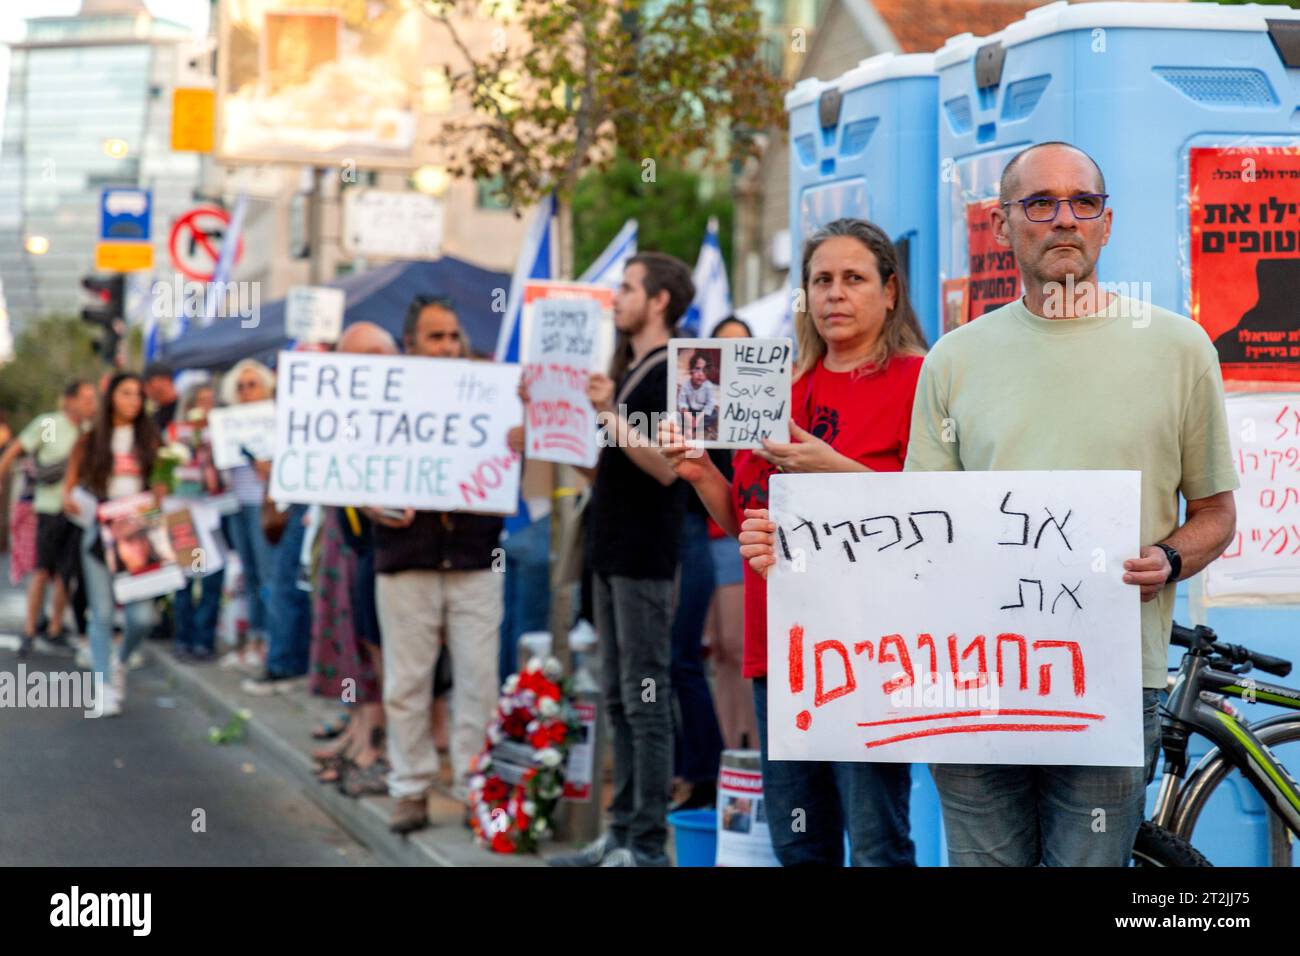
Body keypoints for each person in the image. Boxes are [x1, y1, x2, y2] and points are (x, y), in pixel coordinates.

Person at [897, 141, 1238, 866]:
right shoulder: (954, 361)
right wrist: (802, 554)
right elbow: (917, 529)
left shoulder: (1180, 350)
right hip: (974, 676)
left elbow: (1216, 513)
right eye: (1041, 203)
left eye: (1083, 203)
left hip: (1112, 678)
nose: (1064, 220)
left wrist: (1171, 558)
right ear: (1002, 225)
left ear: (1106, 225)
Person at [669, 219, 925, 866]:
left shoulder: (921, 379)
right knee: (799, 845)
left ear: (890, 292)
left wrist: (826, 465)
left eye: (853, 279)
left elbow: (932, 512)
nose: (834, 294)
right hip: (778, 648)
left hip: (871, 648)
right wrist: (702, 473)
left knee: (875, 844)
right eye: (821, 281)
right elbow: (749, 519)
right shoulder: (777, 387)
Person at [549, 252, 693, 868]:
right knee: (618, 698)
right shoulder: (630, 368)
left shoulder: (675, 369)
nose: (616, 296)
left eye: (628, 287)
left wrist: (609, 413)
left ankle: (646, 845)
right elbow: (614, 470)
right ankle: (622, 831)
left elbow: (666, 468)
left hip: (644, 558)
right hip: (611, 555)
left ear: (659, 300)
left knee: (646, 699)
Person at [369, 300, 512, 834]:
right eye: (435, 337)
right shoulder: (386, 398)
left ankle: (474, 786)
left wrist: (517, 440)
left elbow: (525, 465)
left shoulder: (492, 394)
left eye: (454, 335)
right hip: (407, 559)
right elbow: (355, 469)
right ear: (411, 345)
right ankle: (409, 789)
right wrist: (371, 505)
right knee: (407, 682)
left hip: (475, 558)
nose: (448, 346)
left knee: (479, 679)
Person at [63, 372, 164, 717]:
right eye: (126, 393)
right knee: (102, 613)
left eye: (138, 395)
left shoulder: (151, 441)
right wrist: (71, 501)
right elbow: (69, 488)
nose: (133, 401)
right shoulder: (91, 441)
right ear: (112, 398)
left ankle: (119, 662)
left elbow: (163, 488)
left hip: (139, 537)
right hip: (99, 535)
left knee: (142, 618)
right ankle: (103, 686)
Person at [0, 380, 96, 657]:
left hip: (79, 512)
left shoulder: (91, 431)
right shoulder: (52, 424)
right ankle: (30, 628)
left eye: (94, 399)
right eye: (86, 398)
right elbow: (19, 448)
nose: (91, 404)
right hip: (51, 507)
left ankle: (55, 626)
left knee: (66, 573)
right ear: (69, 399)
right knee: (42, 570)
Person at [700, 316, 757, 752]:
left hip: (736, 534)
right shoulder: (699, 402)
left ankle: (751, 747)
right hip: (702, 534)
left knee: (738, 647)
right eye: (723, 348)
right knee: (717, 648)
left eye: (742, 347)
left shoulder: (762, 403)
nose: (733, 357)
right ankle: (727, 746)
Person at [217, 359, 277, 675]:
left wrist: (270, 470)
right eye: (240, 386)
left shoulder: (276, 420)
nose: (246, 391)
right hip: (236, 503)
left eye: (252, 384)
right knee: (250, 574)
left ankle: (270, 642)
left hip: (263, 504)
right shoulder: (230, 423)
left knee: (267, 575)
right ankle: (255, 640)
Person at [171, 384, 224, 663]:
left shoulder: (223, 434)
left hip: (212, 513)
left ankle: (204, 640)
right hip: (183, 513)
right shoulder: (176, 434)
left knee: (212, 579)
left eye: (210, 401)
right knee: (184, 581)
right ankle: (183, 639)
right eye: (200, 401)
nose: (206, 407)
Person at [678, 353, 718, 441]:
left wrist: (700, 417)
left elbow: (710, 403)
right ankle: (690, 426)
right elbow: (682, 401)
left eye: (704, 370)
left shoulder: (708, 386)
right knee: (678, 414)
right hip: (690, 411)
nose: (700, 374)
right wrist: (686, 412)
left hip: (703, 412)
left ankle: (697, 426)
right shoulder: (686, 385)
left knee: (715, 414)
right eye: (697, 369)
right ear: (691, 370)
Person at [143, 362, 180, 433]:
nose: (145, 388)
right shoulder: (155, 416)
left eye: (149, 382)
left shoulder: (186, 407)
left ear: (165, 380)